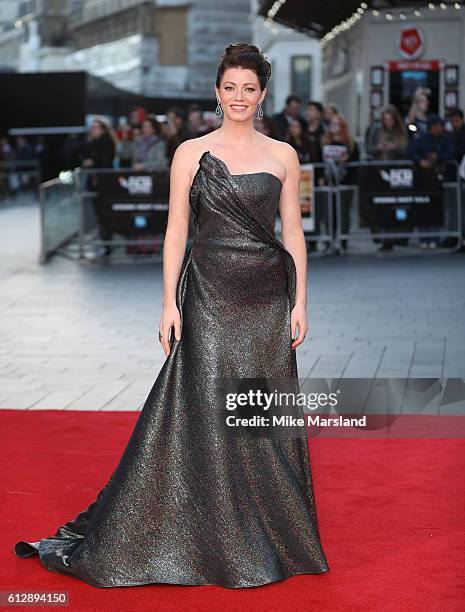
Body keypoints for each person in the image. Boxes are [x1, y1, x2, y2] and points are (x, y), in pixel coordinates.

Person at [14, 41, 329, 588]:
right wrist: (168, 303)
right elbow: (176, 232)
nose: (238, 97)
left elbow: (294, 232)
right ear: (216, 92)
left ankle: (263, 533)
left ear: (261, 95)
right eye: (230, 88)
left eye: (248, 89)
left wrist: (300, 301)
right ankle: (205, 534)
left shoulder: (284, 154)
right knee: (205, 407)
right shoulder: (190, 152)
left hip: (265, 301)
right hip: (207, 295)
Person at [365, 105, 409, 252]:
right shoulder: (377, 130)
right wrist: (379, 148)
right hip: (379, 171)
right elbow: (369, 150)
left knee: (396, 205)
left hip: (397, 173)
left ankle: (394, 237)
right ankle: (381, 235)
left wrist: (394, 148)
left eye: (390, 119)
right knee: (378, 205)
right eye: (385, 119)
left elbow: (407, 151)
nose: (388, 122)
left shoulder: (402, 133)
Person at [409, 114, 454, 249]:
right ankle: (424, 237)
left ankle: (434, 237)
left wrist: (438, 157)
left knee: (436, 209)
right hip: (423, 179)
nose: (441, 128)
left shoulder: (445, 139)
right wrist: (420, 161)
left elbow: (450, 153)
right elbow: (411, 152)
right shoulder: (421, 139)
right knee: (423, 208)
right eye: (439, 125)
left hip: (438, 179)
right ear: (432, 127)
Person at [322, 114, 359, 251]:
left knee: (343, 212)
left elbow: (356, 160)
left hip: (345, 180)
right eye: (332, 123)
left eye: (336, 124)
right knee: (329, 212)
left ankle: (343, 240)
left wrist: (347, 159)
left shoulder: (350, 142)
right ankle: (329, 240)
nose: (333, 126)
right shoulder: (325, 141)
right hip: (328, 181)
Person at [81, 118, 117, 257]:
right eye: (92, 127)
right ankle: (105, 243)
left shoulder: (105, 142)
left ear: (103, 129)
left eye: (96, 127)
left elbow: (104, 162)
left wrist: (92, 162)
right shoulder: (94, 143)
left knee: (104, 213)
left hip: (103, 183)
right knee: (100, 214)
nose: (93, 129)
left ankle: (107, 243)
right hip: (97, 182)